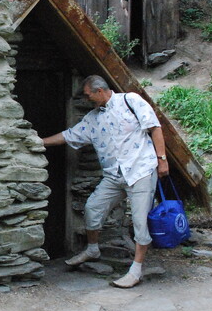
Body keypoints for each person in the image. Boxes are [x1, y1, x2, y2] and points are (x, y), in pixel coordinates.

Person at [41, 75, 169, 288]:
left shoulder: (131, 101)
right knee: (93, 208)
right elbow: (69, 135)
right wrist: (40, 142)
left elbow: (155, 127)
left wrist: (162, 159)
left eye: (88, 95)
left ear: (100, 91)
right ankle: (93, 249)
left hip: (141, 171)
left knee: (139, 221)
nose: (87, 99)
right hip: (114, 176)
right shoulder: (93, 118)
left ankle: (135, 271)